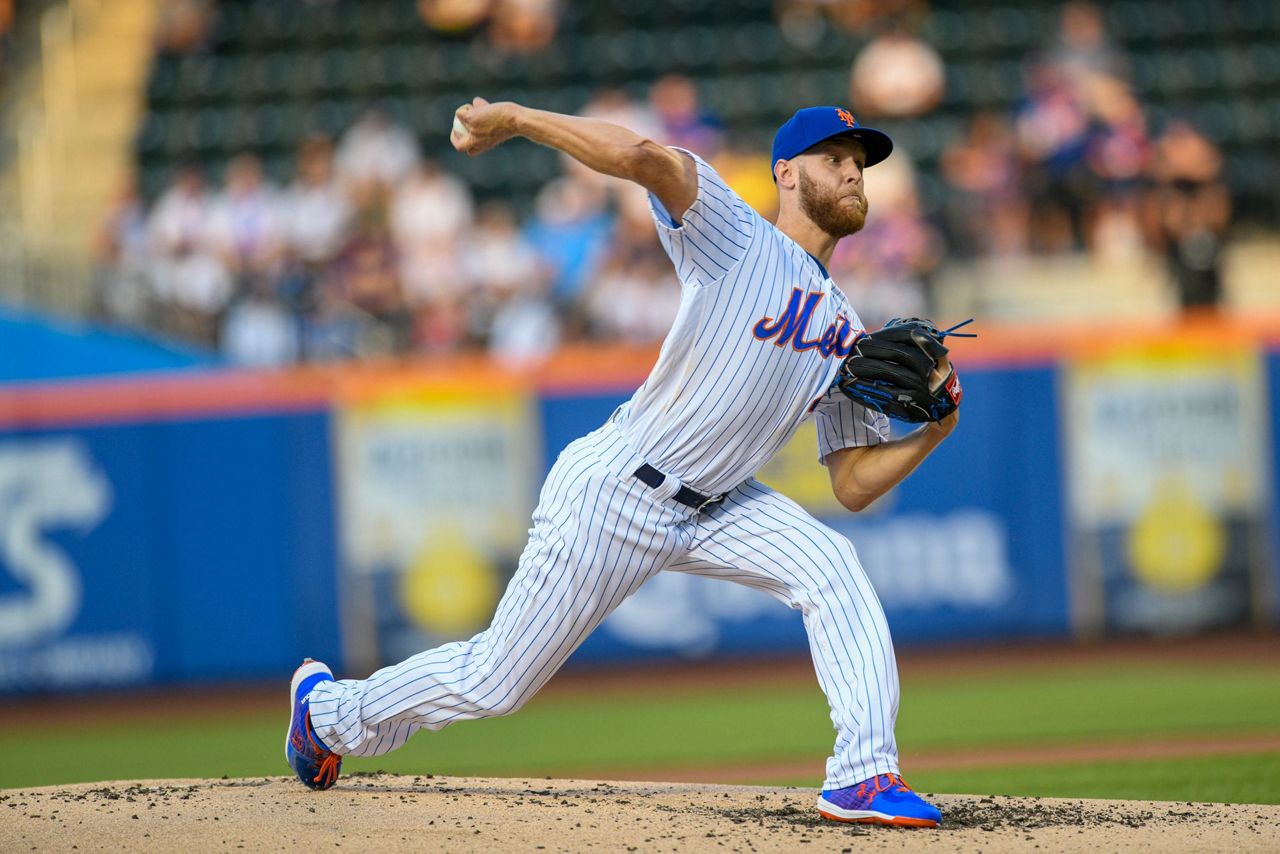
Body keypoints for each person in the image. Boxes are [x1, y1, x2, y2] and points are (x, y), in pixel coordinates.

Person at [286, 98, 960, 828]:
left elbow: (852, 485)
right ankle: (329, 713)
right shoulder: (736, 236)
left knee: (832, 565)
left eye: (860, 165)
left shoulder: (849, 337)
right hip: (619, 488)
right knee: (495, 681)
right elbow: (641, 157)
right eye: (836, 159)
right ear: (786, 174)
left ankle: (861, 777)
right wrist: (513, 118)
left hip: (721, 505)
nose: (855, 175)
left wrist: (936, 429)